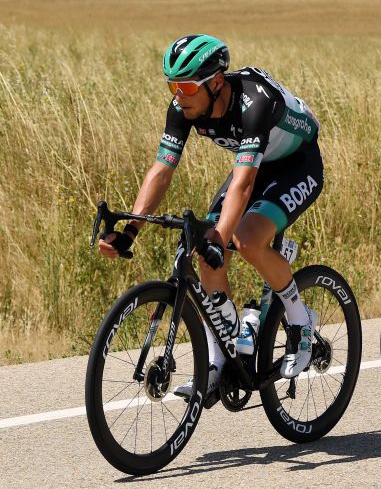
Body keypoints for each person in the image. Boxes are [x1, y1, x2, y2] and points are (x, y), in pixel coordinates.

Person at [97, 34, 322, 397]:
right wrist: (130, 231)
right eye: (173, 85)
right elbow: (161, 170)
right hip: (256, 165)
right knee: (205, 255)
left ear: (216, 82)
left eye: (186, 86)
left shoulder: (255, 102)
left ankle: (300, 322)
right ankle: (220, 360)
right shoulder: (184, 107)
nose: (178, 95)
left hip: (297, 165)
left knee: (245, 239)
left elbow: (245, 183)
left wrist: (221, 236)